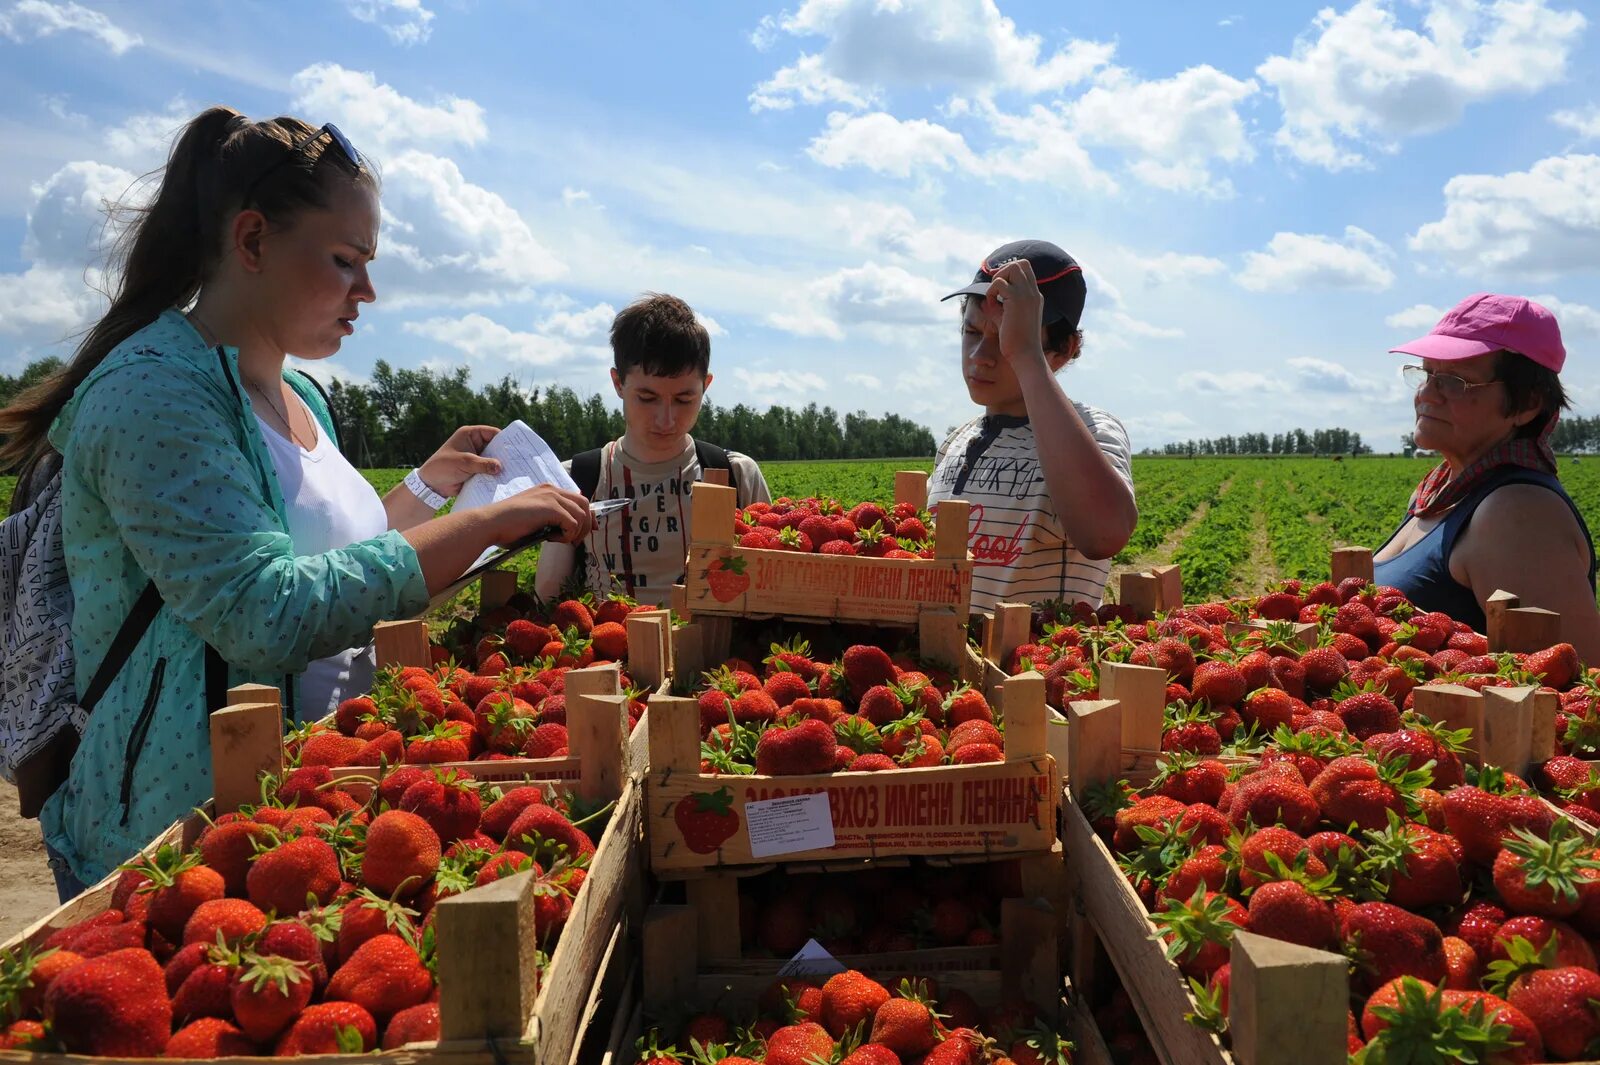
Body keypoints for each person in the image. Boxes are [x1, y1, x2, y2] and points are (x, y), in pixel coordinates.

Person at [0, 106, 592, 896]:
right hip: (189, 843)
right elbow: (263, 608)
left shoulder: (299, 390)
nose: (369, 290)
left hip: (312, 806)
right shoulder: (152, 392)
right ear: (252, 241)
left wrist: (428, 490)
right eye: (348, 259)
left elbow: (328, 551)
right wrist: (488, 522)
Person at [1374, 293, 1600, 658]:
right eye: (1427, 373)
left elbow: (1572, 690)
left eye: (1456, 380)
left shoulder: (1517, 514)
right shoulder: (1439, 493)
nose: (1428, 394)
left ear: (1527, 404)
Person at [928, 240, 1137, 613]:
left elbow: (1104, 533)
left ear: (1065, 348)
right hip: (945, 666)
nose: (981, 357)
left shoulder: (1091, 431)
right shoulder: (954, 444)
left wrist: (1025, 357)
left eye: (1008, 340)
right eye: (972, 333)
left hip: (1037, 664)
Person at [535, 293, 770, 607]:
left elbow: (770, 588)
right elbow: (549, 598)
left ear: (706, 386)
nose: (666, 419)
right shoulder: (576, 479)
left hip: (717, 655)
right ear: (618, 383)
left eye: (685, 399)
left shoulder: (736, 475)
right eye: (647, 397)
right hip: (610, 652)